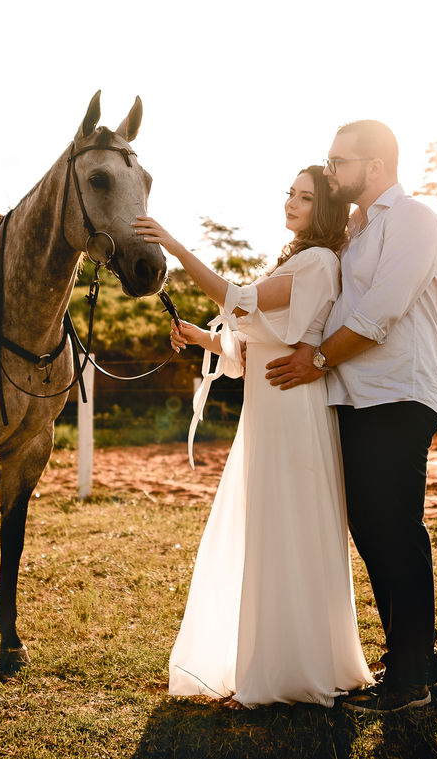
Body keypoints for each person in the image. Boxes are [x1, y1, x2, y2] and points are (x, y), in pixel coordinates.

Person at [135, 166, 373, 709]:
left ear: (325, 209)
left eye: (305, 197)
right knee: (270, 526)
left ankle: (289, 669)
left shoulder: (319, 261)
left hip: (291, 410)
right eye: (290, 193)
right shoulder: (300, 261)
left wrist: (173, 245)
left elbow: (236, 298)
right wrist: (203, 337)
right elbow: (256, 342)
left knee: (286, 526)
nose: (292, 202)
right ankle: (274, 659)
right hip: (269, 408)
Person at [264, 121, 437, 713]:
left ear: (374, 166)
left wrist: (316, 359)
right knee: (373, 531)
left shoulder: (414, 220)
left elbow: (379, 315)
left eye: (338, 162)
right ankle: (419, 660)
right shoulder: (355, 231)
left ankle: (410, 679)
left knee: (395, 530)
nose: (330, 171)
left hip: (398, 396)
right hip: (354, 399)